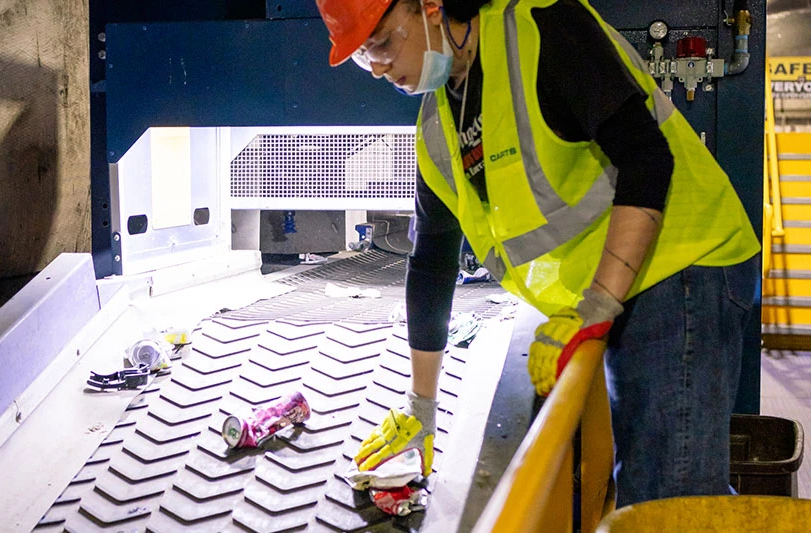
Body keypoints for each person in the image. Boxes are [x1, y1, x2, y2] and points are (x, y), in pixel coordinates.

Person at [315, 0, 760, 508]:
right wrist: (422, 406)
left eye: (383, 44)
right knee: (648, 487)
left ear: (431, 7)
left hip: (683, 263)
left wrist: (595, 305)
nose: (377, 68)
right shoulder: (438, 127)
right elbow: (433, 260)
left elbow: (647, 158)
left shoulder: (542, 28)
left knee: (668, 502)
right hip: (625, 282)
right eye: (362, 57)